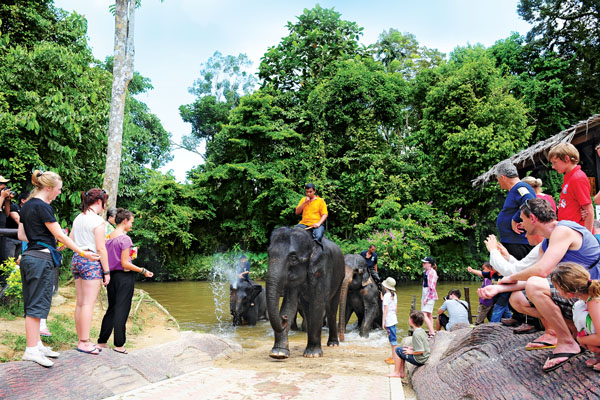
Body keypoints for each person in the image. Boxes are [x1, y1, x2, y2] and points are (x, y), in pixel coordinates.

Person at [479, 198, 600, 371]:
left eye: (523, 219)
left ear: (533, 218)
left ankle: (567, 342)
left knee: (535, 285)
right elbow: (536, 276)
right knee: (518, 299)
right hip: (578, 297)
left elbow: (541, 271)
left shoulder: (563, 230)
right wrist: (499, 287)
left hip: (595, 295)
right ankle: (574, 334)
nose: (521, 225)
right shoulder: (547, 242)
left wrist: (511, 277)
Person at [17, 170, 100, 367]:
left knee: (33, 302)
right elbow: (61, 236)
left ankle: (36, 344)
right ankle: (30, 350)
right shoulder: (43, 207)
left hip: (29, 257)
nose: (59, 193)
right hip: (40, 260)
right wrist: (83, 253)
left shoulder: (27, 205)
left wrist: (44, 239)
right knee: (37, 305)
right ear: (48, 188)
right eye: (58, 190)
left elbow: (22, 234)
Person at [98, 208, 153, 354]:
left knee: (112, 309)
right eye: (131, 222)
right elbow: (125, 263)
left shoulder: (109, 237)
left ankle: (102, 342)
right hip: (124, 277)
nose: (132, 225)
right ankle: (119, 345)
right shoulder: (125, 239)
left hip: (111, 276)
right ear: (124, 221)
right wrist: (143, 270)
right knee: (122, 309)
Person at [70, 188, 110, 355]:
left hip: (77, 258)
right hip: (91, 260)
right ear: (99, 202)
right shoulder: (98, 221)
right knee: (88, 303)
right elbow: (101, 248)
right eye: (104, 203)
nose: (104, 207)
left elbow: (70, 240)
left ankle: (81, 339)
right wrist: (106, 271)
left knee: (80, 303)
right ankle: (85, 342)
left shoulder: (79, 218)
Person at [549, 262, 600, 370]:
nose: (557, 291)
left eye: (557, 288)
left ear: (569, 294)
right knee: (589, 341)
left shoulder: (595, 302)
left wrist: (581, 339)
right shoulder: (586, 300)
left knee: (588, 341)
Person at [495, 160, 536, 260]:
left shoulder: (520, 187)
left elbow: (529, 201)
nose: (498, 182)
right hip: (513, 241)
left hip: (518, 242)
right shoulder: (516, 189)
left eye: (498, 179)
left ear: (503, 177)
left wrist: (515, 219)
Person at [548, 143, 593, 232]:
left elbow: (589, 210)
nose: (553, 167)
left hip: (577, 232)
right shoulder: (569, 177)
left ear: (566, 158)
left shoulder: (577, 178)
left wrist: (587, 237)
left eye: (555, 162)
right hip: (569, 229)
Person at [388, 311, 430, 378]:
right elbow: (423, 345)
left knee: (397, 350)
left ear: (411, 320)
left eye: (409, 318)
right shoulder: (421, 330)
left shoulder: (416, 334)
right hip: (424, 357)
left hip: (419, 359)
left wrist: (411, 352)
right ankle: (401, 373)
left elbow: (421, 350)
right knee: (402, 349)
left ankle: (396, 372)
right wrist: (412, 348)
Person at [381, 277, 398, 366]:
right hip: (393, 319)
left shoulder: (387, 296)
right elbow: (395, 308)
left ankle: (394, 358)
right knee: (392, 339)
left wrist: (383, 322)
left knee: (393, 341)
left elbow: (386, 309)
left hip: (389, 320)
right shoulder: (394, 295)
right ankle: (393, 356)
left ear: (386, 287)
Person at [421, 256, 438, 337]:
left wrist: (426, 298)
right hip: (426, 294)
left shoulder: (432, 273)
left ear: (430, 264)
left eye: (425, 263)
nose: (423, 264)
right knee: (429, 314)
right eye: (423, 262)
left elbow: (431, 287)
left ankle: (432, 333)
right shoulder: (426, 271)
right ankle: (431, 332)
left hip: (430, 296)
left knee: (424, 314)